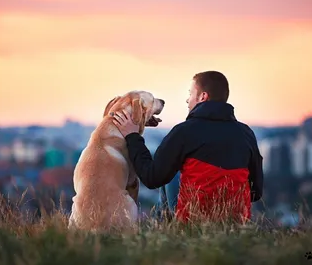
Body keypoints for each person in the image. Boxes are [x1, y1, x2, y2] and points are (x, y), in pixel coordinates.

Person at [112, 71, 263, 223]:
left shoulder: (184, 132)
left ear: (203, 97)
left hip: (193, 219)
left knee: (168, 175)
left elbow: (151, 178)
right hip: (236, 222)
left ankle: (162, 231)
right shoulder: (246, 134)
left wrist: (132, 136)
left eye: (190, 93)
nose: (187, 100)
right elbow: (256, 192)